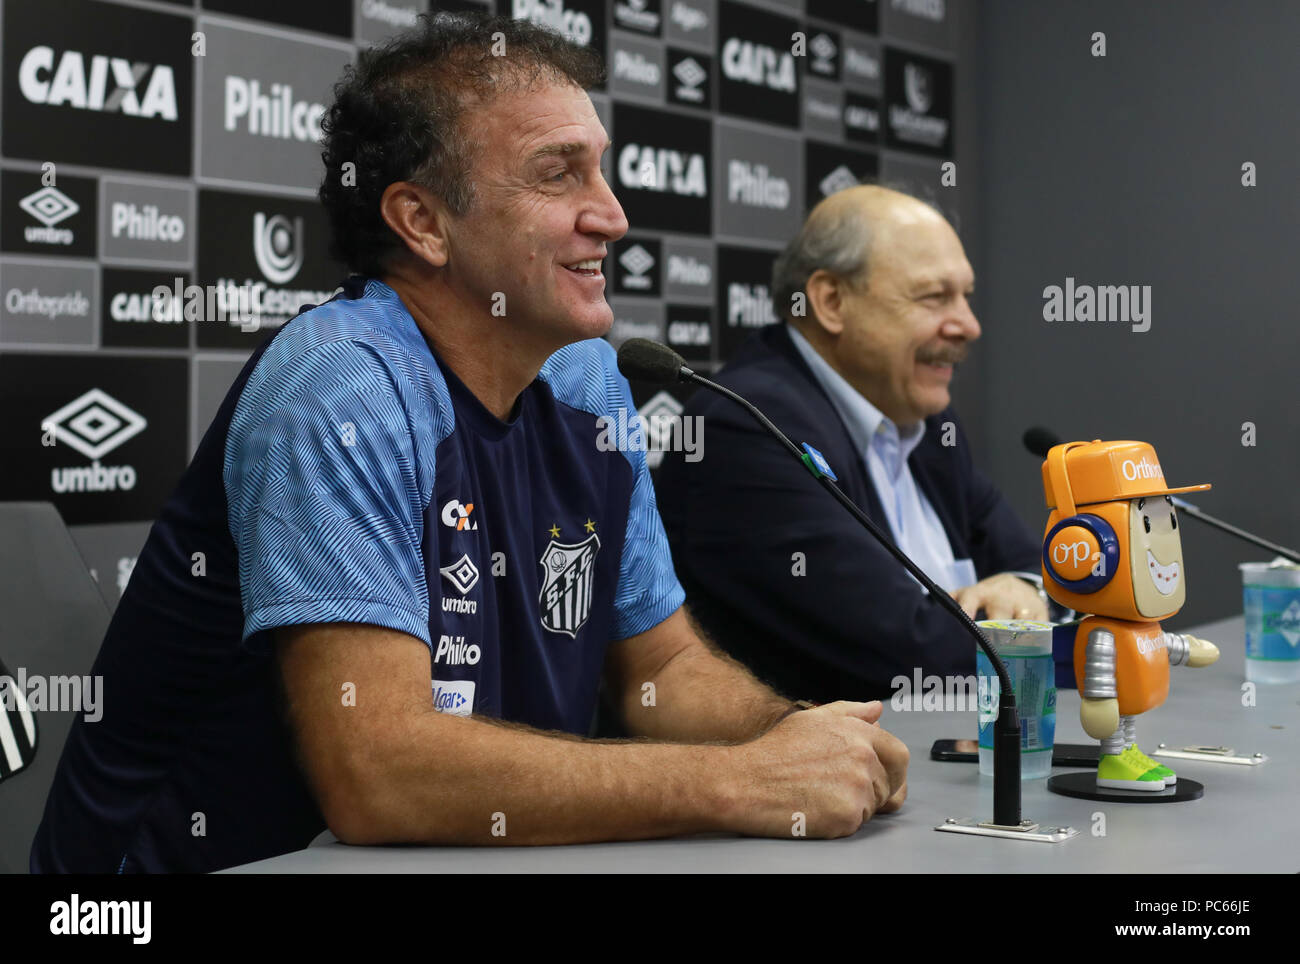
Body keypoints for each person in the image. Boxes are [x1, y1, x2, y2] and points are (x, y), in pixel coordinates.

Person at [29, 14, 906, 874]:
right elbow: (379, 775)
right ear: (422, 221)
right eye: (557, 177)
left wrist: (797, 737)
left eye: (600, 173)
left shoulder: (587, 380)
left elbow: (666, 669)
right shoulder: (340, 384)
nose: (612, 216)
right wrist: (738, 781)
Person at [656, 185, 1047, 704]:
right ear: (832, 301)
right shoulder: (749, 427)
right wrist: (1029, 623)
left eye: (966, 297)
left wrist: (1023, 594)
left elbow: (1047, 575)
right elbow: (912, 659)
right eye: (934, 297)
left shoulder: (925, 420)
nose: (969, 326)